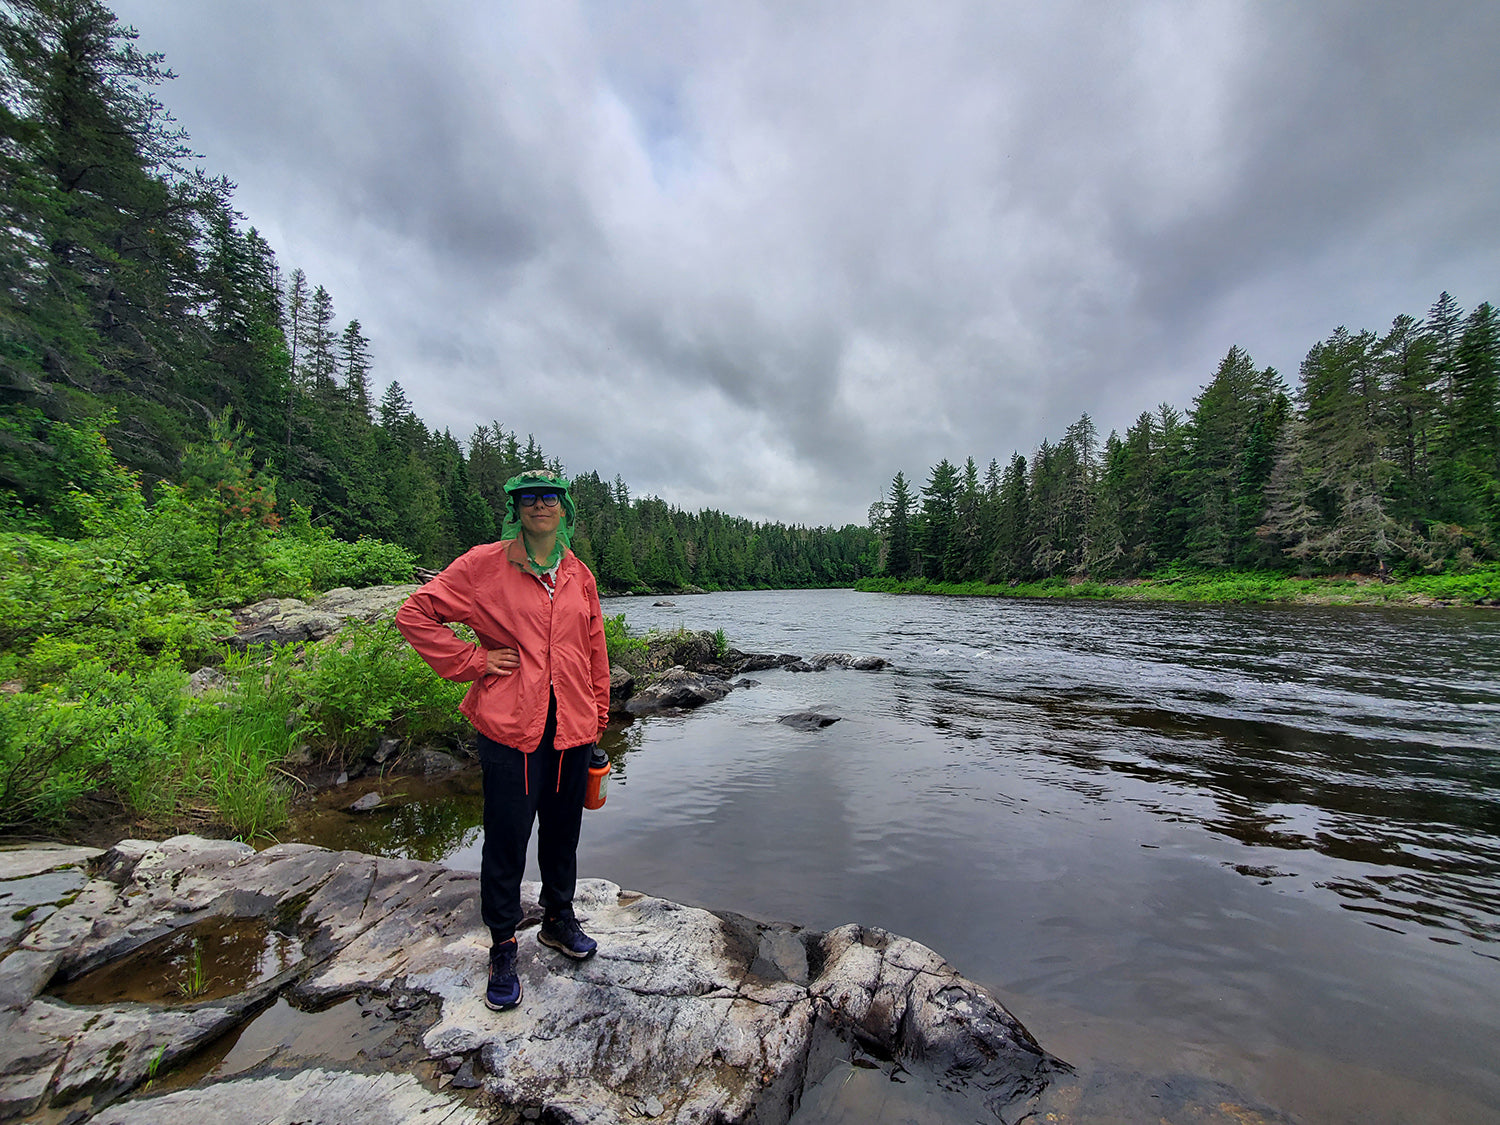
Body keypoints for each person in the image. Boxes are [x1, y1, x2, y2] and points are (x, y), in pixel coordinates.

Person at [395, 469, 611, 1012]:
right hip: (510, 727)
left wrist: (597, 714)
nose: (541, 505)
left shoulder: (578, 574)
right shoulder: (483, 565)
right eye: (530, 498)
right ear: (517, 508)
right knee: (507, 839)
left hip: (571, 730)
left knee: (563, 833)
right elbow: (416, 614)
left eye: (551, 497)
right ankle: (503, 944)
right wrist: (474, 660)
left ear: (564, 509)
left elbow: (594, 650)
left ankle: (559, 920)